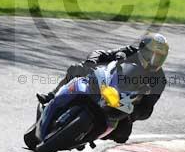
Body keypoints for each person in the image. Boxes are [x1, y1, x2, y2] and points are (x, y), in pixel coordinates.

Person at [36, 33, 169, 143]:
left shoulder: (159, 80)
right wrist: (91, 62)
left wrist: (134, 113)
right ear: (142, 49)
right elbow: (101, 53)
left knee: (123, 134)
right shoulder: (129, 52)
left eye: (159, 57)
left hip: (123, 104)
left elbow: (148, 108)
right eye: (151, 55)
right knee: (77, 69)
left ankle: (88, 134)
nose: (154, 60)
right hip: (105, 84)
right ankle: (52, 95)